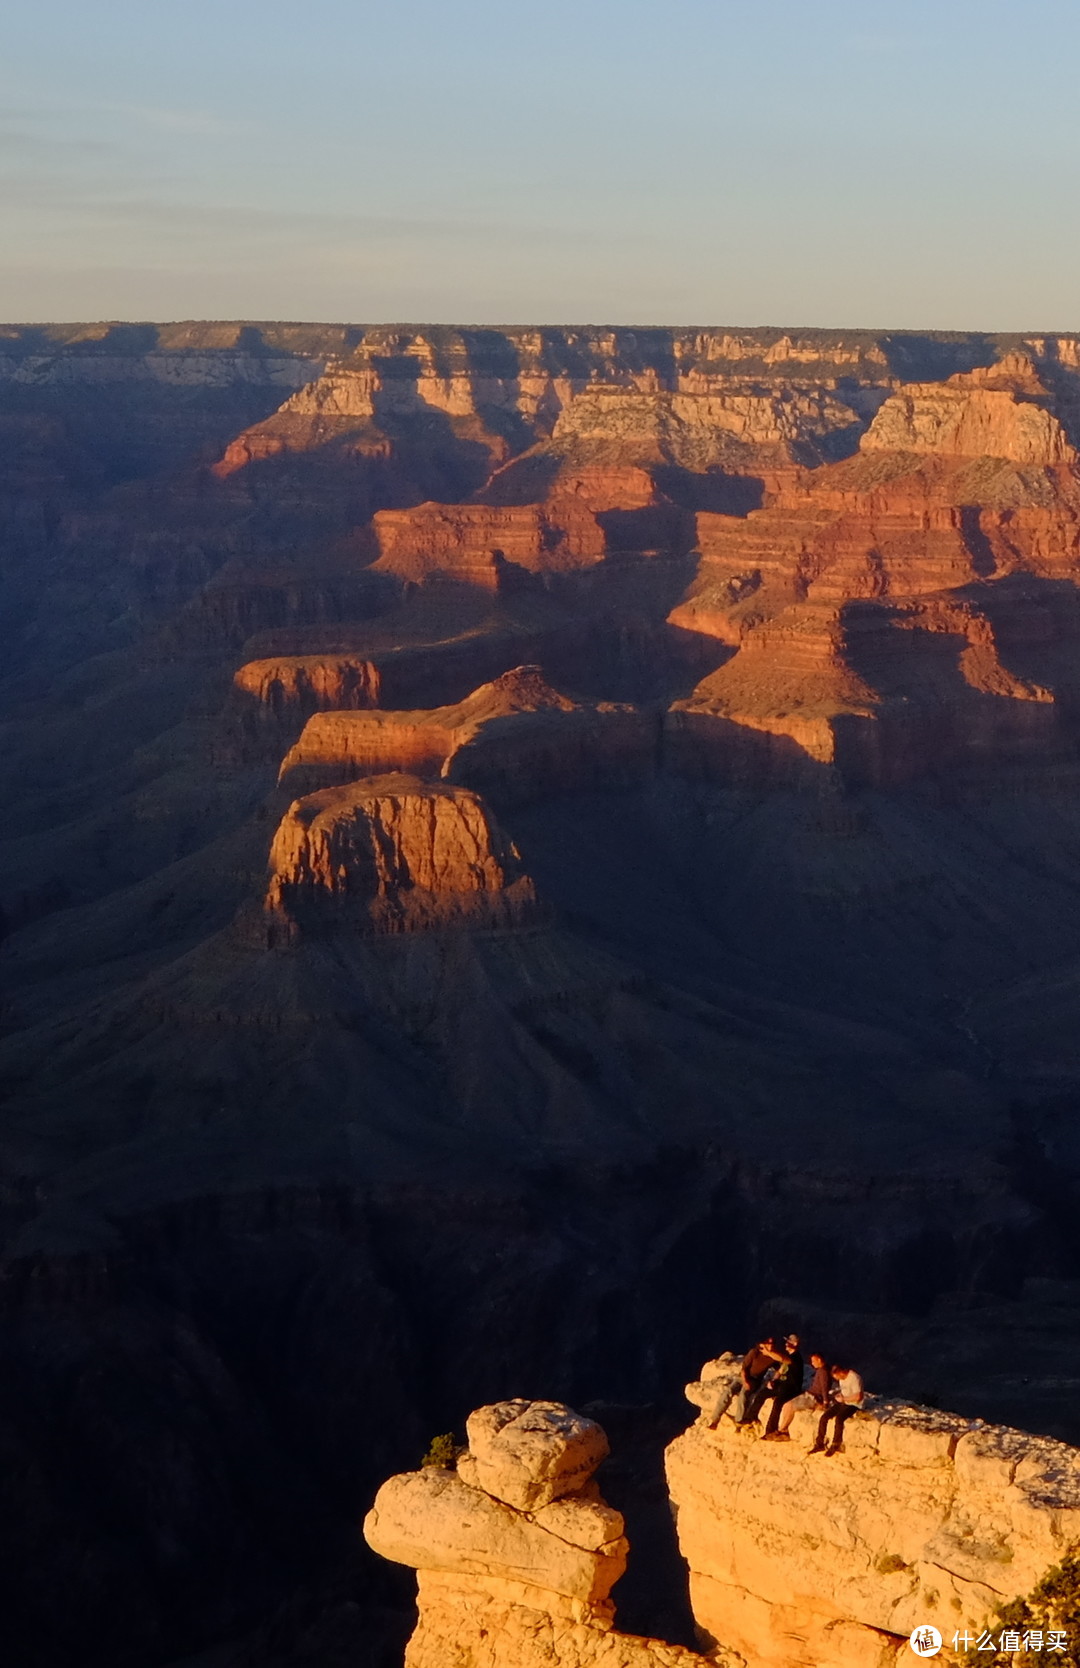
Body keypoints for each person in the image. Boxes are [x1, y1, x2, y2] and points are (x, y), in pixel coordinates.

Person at [768, 1349, 830, 1440]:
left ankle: (782, 1430)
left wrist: (825, 1402)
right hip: (809, 1394)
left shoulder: (823, 1372)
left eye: (813, 1361)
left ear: (819, 1360)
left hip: (813, 1397)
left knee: (790, 1406)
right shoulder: (821, 1371)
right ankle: (783, 1429)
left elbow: (824, 1388)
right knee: (786, 1405)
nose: (812, 1363)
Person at [810, 1362, 865, 1455]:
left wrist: (844, 1399)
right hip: (844, 1401)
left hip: (854, 1404)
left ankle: (836, 1444)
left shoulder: (854, 1378)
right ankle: (819, 1443)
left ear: (840, 1373)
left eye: (836, 1376)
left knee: (839, 1418)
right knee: (824, 1417)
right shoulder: (841, 1379)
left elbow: (858, 1396)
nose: (836, 1379)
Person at [759, 1333, 804, 1438]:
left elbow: (782, 1359)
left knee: (778, 1402)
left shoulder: (796, 1357)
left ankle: (771, 1430)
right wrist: (774, 1380)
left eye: (788, 1342)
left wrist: (769, 1352)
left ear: (795, 1344)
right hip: (784, 1385)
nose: (786, 1344)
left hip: (792, 1388)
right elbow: (781, 1368)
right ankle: (751, 1417)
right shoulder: (790, 1356)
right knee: (763, 1393)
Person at [731, 1337, 777, 1429]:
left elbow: (779, 1368)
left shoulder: (773, 1358)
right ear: (762, 1344)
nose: (771, 1345)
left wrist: (773, 1380)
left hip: (755, 1380)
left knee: (744, 1394)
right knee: (728, 1391)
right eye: (768, 1343)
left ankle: (739, 1419)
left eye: (772, 1343)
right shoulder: (754, 1353)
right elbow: (744, 1368)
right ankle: (715, 1418)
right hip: (745, 1376)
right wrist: (745, 1381)